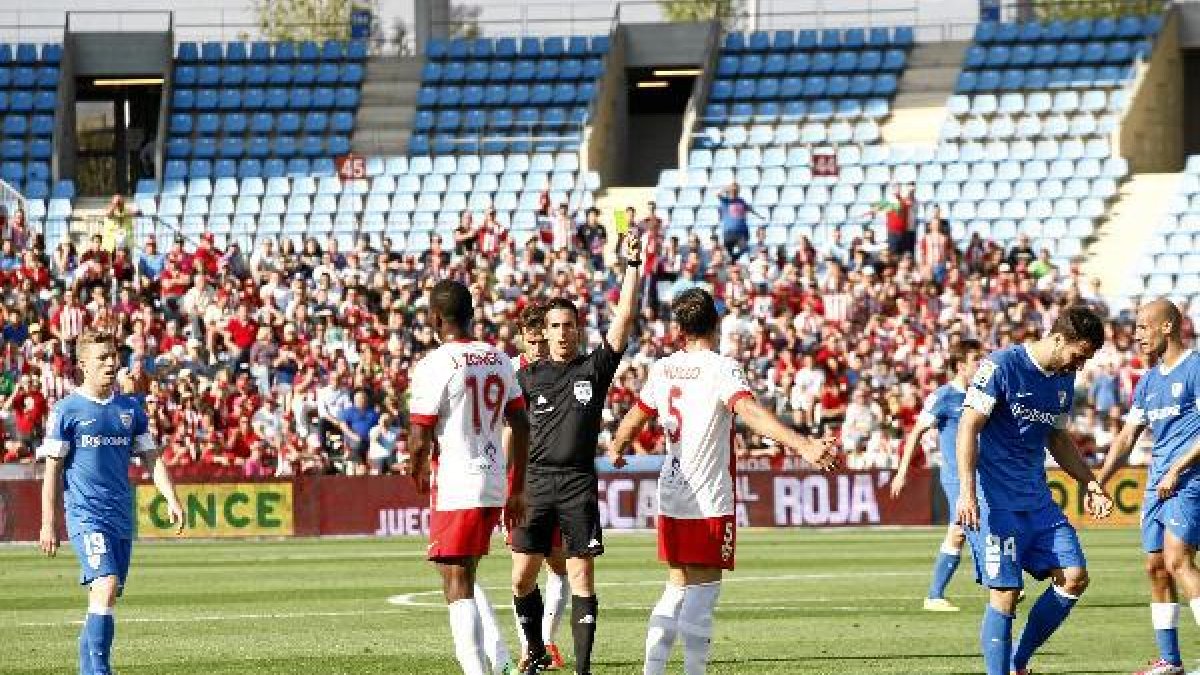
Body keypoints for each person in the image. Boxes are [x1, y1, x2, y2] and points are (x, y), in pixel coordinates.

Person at [607, 287, 837, 675]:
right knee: (704, 589)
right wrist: (802, 444)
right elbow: (746, 409)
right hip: (709, 493)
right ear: (715, 323)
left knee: (676, 584)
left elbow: (635, 416)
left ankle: (652, 670)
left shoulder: (664, 368)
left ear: (678, 329)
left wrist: (617, 445)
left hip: (672, 489)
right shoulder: (720, 368)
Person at [956, 305, 1115, 675]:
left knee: (1074, 576)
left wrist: (1090, 483)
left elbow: (1057, 439)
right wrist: (966, 492)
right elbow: (968, 427)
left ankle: (1018, 662)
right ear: (1059, 339)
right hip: (994, 499)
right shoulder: (1001, 366)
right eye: (1080, 355)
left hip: (1036, 498)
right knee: (1006, 594)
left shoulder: (1063, 378)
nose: (1081, 365)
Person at [511, 234, 643, 675]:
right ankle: (535, 652)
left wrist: (631, 268)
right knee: (521, 578)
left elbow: (624, 320)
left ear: (578, 329)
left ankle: (584, 669)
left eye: (569, 325)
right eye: (555, 326)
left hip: (577, 483)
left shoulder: (593, 369)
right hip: (534, 485)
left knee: (581, 577)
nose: (563, 333)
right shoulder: (526, 378)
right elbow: (509, 431)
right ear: (543, 334)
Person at [37, 329, 185, 675]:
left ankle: (88, 670)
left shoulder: (130, 409)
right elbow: (52, 471)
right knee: (105, 585)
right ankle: (101, 671)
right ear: (83, 365)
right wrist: (48, 522)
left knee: (106, 595)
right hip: (86, 516)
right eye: (102, 358)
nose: (110, 363)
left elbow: (152, 458)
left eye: (112, 356)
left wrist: (171, 498)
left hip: (120, 516)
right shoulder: (66, 411)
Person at [407, 279, 531, 675]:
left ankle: (478, 670)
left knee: (455, 582)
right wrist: (518, 487)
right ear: (472, 314)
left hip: (457, 482)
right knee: (465, 575)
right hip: (493, 478)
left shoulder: (434, 365)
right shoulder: (498, 358)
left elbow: (419, 433)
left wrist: (416, 468)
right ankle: (498, 660)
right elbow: (521, 422)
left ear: (435, 318)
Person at [1097, 299, 1200, 675]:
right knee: (1156, 567)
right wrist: (1099, 482)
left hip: (1190, 478)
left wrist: (1177, 468)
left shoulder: (1196, 368)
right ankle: (1170, 661)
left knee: (1177, 560)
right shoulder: (1149, 382)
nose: (1137, 335)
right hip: (1159, 482)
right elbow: (1126, 438)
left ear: (1168, 327)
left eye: (1143, 327)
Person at [891, 339, 984, 612]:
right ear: (960, 365)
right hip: (956, 476)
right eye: (976, 360)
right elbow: (916, 433)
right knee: (961, 529)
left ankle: (994, 581)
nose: (981, 365)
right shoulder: (944, 397)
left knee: (971, 528)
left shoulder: (981, 395)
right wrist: (902, 470)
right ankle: (935, 595)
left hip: (982, 475)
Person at [507, 303, 569, 671]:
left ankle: (546, 641)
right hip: (523, 483)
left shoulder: (563, 373)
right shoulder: (512, 375)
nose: (538, 350)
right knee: (522, 570)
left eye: (542, 342)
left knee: (558, 566)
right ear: (522, 341)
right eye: (532, 343)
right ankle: (531, 646)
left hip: (557, 481)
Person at [716, 183, 761, 262]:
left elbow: (749, 208)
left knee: (744, 249)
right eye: (732, 191)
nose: (734, 193)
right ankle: (732, 261)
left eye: (736, 191)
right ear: (729, 192)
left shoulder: (741, 201)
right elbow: (717, 194)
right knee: (728, 252)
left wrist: (759, 215)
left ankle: (734, 258)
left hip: (741, 232)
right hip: (729, 232)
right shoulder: (725, 201)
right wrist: (726, 188)